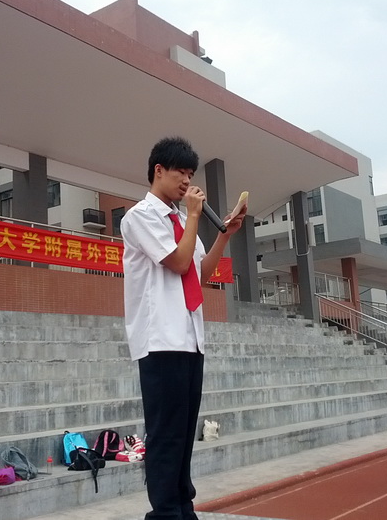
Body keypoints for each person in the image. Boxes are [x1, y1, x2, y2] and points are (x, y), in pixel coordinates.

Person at [120, 136, 247, 520]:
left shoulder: (179, 219)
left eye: (191, 174)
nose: (187, 182)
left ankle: (182, 507)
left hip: (190, 338)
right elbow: (177, 262)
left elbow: (200, 273)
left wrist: (224, 234)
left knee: (185, 432)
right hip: (160, 339)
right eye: (181, 173)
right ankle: (165, 512)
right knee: (166, 433)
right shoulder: (140, 217)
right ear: (158, 170)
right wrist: (193, 216)